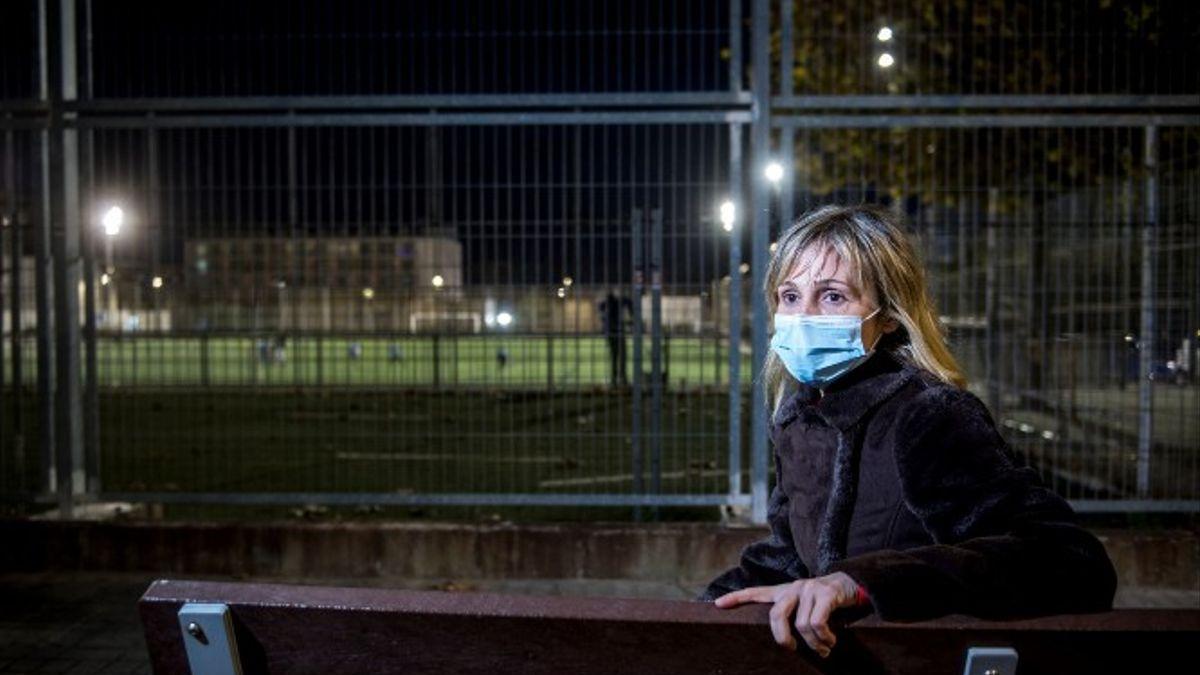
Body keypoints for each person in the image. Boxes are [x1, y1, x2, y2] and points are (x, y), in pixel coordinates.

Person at [699, 205, 1116, 659]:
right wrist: (698, 619)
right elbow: (790, 555)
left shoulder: (929, 415)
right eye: (791, 296)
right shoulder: (799, 417)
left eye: (833, 296)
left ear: (889, 315)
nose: (803, 316)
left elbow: (1069, 561)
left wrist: (862, 581)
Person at [599, 289, 633, 386]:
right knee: (620, 357)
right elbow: (629, 303)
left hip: (613, 332)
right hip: (617, 332)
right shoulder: (618, 303)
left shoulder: (609, 303)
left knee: (616, 357)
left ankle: (616, 379)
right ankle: (621, 378)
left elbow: (601, 309)